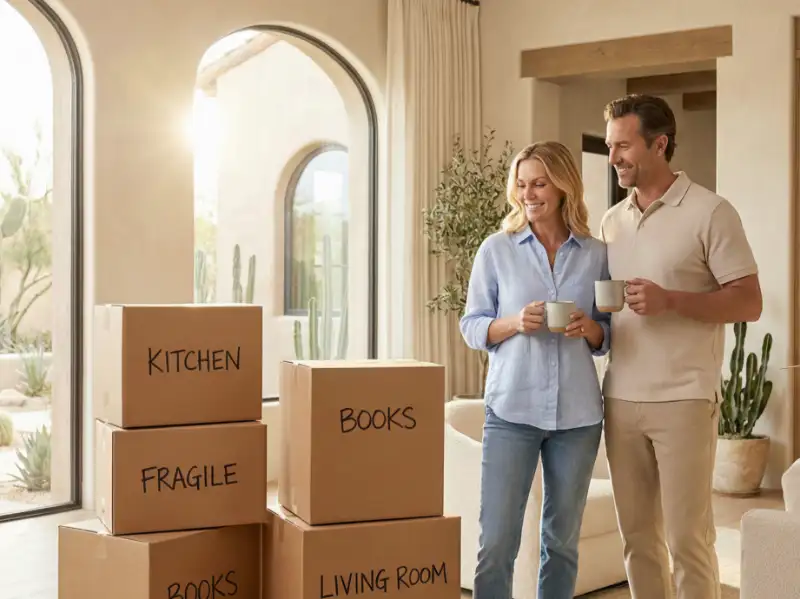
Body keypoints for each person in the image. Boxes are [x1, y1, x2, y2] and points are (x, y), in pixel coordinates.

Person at [599, 94, 762, 599]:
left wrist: (671, 300)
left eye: (623, 146)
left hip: (684, 399)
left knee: (688, 538)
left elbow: (748, 302)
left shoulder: (711, 211)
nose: (613, 158)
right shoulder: (612, 221)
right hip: (620, 398)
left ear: (660, 143)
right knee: (638, 540)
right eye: (610, 146)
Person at [460, 140, 612, 599]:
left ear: (563, 186)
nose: (529, 194)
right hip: (512, 413)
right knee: (497, 543)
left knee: (561, 544)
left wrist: (589, 329)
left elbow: (609, 333)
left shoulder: (596, 254)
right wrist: (513, 323)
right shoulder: (496, 250)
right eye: (522, 184)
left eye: (539, 183)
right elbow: (471, 326)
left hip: (578, 417)